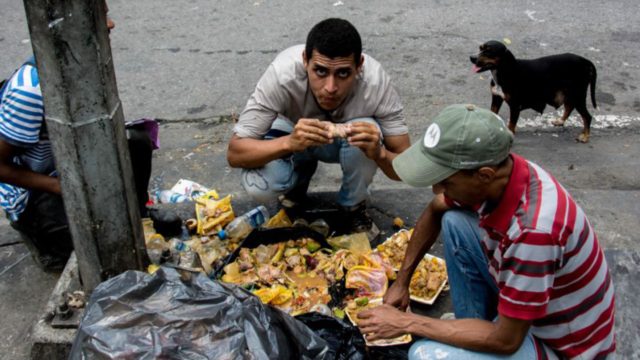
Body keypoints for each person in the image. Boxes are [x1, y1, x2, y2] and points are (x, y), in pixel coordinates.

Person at [357, 104, 615, 359]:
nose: (437, 188)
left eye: (445, 181)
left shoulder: (534, 233)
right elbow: (436, 208)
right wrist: (403, 282)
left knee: (423, 354)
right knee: (454, 221)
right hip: (533, 307)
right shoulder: (506, 173)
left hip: (560, 346)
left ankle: (470, 336)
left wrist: (406, 323)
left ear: (484, 175)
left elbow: (506, 341)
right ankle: (469, 326)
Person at [0, 7, 153, 272]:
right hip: (38, 192)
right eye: (99, 18)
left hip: (71, 169)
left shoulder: (88, 65)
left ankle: (140, 218)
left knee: (137, 141)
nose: (111, 24)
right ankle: (47, 245)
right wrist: (60, 187)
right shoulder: (29, 92)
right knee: (91, 252)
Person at [227, 18, 410, 234]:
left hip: (345, 144)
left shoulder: (376, 82)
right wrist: (289, 143)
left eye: (343, 73)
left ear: (359, 66)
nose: (330, 88)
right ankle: (295, 183)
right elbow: (235, 153)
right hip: (291, 133)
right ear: (305, 60)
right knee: (260, 185)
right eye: (321, 72)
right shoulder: (282, 75)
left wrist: (379, 153)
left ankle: (352, 206)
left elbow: (406, 167)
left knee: (368, 131)